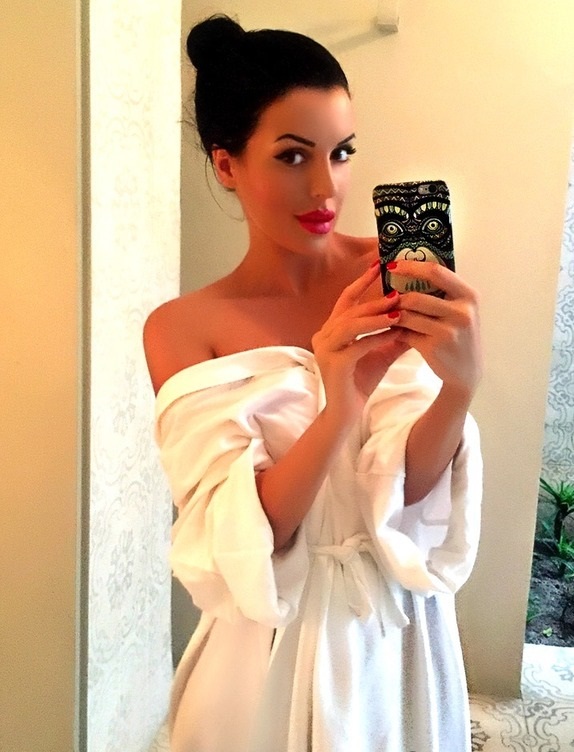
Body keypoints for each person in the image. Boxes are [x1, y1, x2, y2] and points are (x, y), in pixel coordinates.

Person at [144, 14, 483, 752]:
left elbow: (411, 491)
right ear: (226, 164)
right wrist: (339, 404)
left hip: (397, 632)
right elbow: (247, 535)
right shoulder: (182, 328)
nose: (327, 187)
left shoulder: (393, 277)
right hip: (268, 644)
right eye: (294, 155)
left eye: (342, 152)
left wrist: (459, 391)